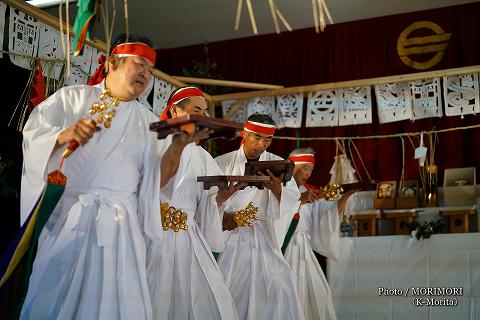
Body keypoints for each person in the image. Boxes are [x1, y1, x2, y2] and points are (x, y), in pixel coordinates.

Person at [19, 34, 206, 320]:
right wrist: (62, 135)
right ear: (113, 63)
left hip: (122, 228)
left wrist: (178, 147)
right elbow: (32, 137)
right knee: (56, 300)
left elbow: (156, 182)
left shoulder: (149, 122)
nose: (145, 73)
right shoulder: (72, 98)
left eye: (150, 69)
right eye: (139, 64)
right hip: (70, 220)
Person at [147, 86, 240, 319]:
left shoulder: (203, 156)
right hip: (152, 233)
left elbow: (208, 201)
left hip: (188, 237)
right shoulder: (154, 141)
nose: (204, 116)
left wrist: (221, 197)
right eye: (197, 110)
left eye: (205, 111)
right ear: (176, 110)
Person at [215, 114, 303, 320]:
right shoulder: (222, 162)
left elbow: (293, 200)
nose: (262, 144)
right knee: (230, 290)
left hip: (265, 237)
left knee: (278, 289)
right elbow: (208, 201)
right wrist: (224, 217)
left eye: (268, 139)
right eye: (257, 137)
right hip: (232, 239)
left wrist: (277, 191)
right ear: (245, 134)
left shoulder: (278, 164)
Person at [282, 148, 353, 320]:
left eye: (311, 169)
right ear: (293, 166)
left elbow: (327, 217)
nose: (308, 173)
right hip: (284, 247)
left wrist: (345, 198)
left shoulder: (312, 192)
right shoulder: (279, 189)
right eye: (305, 168)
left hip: (304, 249)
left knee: (319, 292)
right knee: (287, 292)